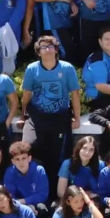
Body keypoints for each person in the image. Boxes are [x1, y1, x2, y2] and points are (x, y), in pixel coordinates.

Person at [19, 36, 82, 202]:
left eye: (50, 46)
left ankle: (56, 197)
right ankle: (36, 194)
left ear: (56, 49)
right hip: (38, 116)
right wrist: (22, 115)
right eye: (43, 47)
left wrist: (77, 117)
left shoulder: (66, 68)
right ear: (38, 52)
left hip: (60, 117)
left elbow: (75, 93)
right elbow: (26, 95)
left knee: (59, 157)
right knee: (30, 149)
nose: (47, 49)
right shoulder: (32, 69)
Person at [4, 141, 50, 216]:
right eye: (17, 159)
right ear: (13, 161)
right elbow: (10, 195)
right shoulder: (10, 172)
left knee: (42, 209)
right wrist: (24, 206)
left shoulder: (39, 170)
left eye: (23, 158)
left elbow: (42, 194)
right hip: (18, 204)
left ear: (29, 158)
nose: (21, 162)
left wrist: (25, 201)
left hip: (36, 203)